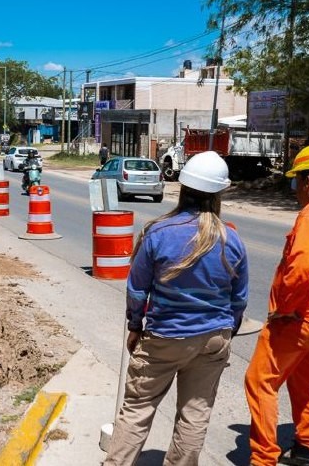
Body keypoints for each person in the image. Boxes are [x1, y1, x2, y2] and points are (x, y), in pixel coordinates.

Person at [103, 151, 249, 466]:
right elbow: (239, 301)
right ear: (218, 195)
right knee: (194, 415)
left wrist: (135, 326)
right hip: (213, 338)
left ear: (182, 188)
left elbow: (137, 289)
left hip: (164, 337)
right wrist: (227, 333)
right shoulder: (232, 241)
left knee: (137, 410)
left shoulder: (157, 232)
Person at [245, 144, 309, 466]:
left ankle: (263, 458)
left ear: (308, 181)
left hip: (298, 317)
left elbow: (301, 269)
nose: (296, 189)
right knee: (307, 379)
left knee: (259, 381)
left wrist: (284, 309)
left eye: (296, 181)